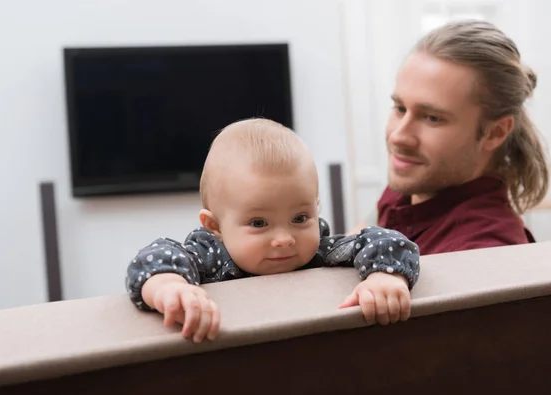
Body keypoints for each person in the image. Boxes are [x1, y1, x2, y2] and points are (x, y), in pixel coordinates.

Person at [126, 118, 420, 343]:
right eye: (259, 223)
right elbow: (155, 256)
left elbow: (384, 239)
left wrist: (385, 276)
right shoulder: (210, 255)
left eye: (300, 217)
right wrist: (170, 287)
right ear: (215, 226)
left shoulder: (320, 250)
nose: (284, 239)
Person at [363, 20, 549, 255]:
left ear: (495, 132)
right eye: (400, 108)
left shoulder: (485, 252)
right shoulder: (415, 185)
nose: (399, 137)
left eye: (432, 118)